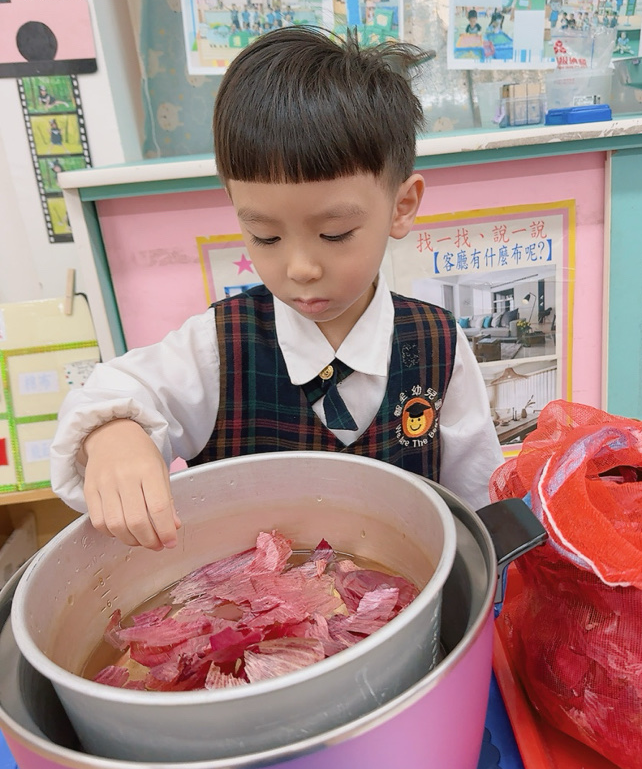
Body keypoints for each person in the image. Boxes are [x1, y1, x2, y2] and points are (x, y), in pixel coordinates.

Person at [50, 28, 504, 551]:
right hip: (247, 595)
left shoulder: (438, 345)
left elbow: (477, 503)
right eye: (265, 237)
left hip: (406, 588)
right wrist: (112, 436)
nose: (300, 268)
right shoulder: (218, 347)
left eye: (335, 234)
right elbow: (116, 391)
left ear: (401, 207)